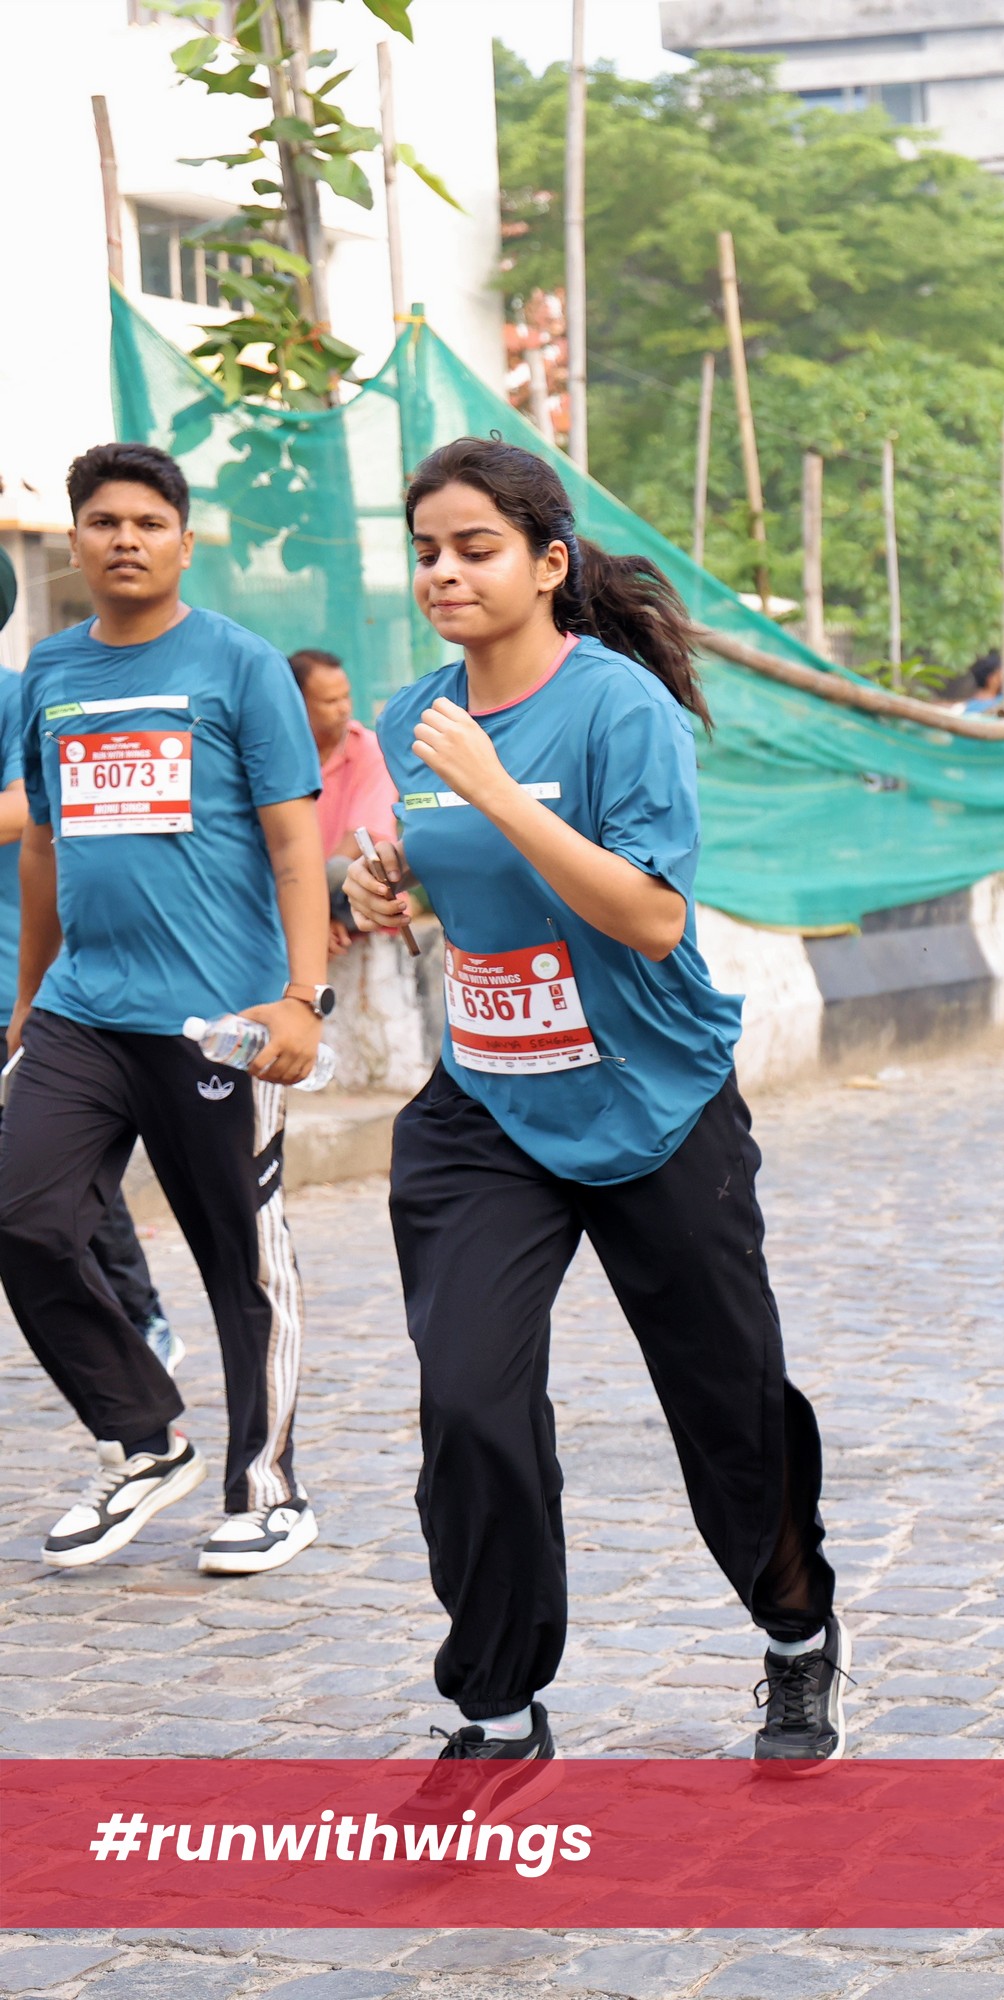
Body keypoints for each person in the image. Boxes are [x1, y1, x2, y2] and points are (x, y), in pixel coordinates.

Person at [342, 438, 844, 1772]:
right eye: (427, 551)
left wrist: (497, 795)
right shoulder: (413, 716)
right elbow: (453, 872)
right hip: (488, 1103)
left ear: (549, 562)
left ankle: (795, 1627)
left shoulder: (622, 711)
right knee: (469, 1399)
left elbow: (650, 915)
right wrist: (393, 887)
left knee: (727, 1405)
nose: (444, 573)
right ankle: (498, 1707)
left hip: (650, 1097)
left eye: (476, 548)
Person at [0, 442, 326, 1575]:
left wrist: (302, 998)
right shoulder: (50, 671)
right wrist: (28, 999)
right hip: (81, 1011)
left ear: (185, 542)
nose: (125, 539)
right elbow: (43, 846)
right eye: (104, 521)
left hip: (217, 1022)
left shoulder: (240, 665)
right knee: (23, 1217)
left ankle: (269, 1488)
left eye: (148, 522)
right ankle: (145, 1439)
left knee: (242, 1258)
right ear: (74, 542)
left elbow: (297, 845)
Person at [0, 548, 173, 1375]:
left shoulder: (15, 692)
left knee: (52, 1174)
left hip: (13, 972)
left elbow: (27, 810)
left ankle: (140, 1318)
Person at [290, 648, 399, 959]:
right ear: (297, 703)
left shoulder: (370, 749)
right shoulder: (277, 755)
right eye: (330, 701)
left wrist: (313, 910)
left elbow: (361, 837)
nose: (344, 708)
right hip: (294, 890)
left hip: (350, 890)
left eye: (346, 697)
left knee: (340, 871)